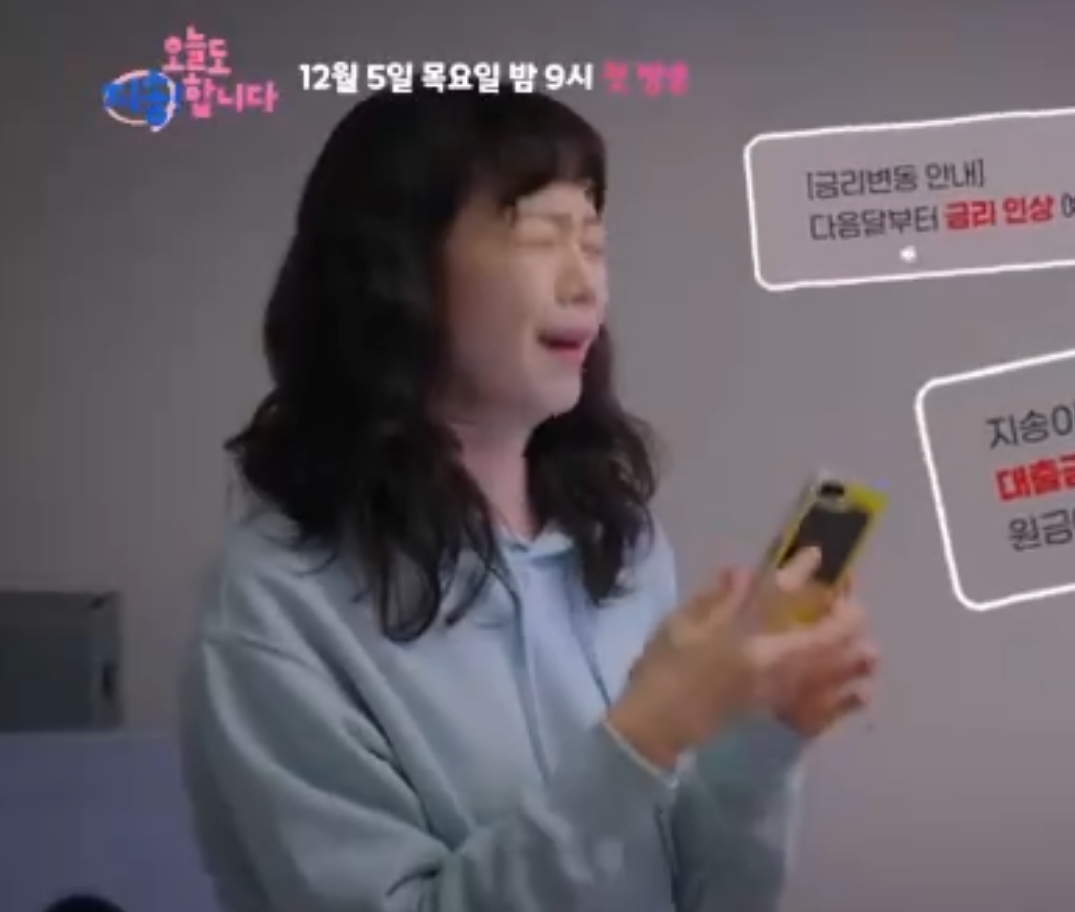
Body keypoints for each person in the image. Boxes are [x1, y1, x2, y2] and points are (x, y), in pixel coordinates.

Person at [178, 86, 880, 912]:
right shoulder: (274, 606)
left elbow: (709, 896)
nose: (587, 285)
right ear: (398, 267)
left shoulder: (620, 542)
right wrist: (644, 735)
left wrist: (763, 737)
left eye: (595, 242)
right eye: (543, 236)